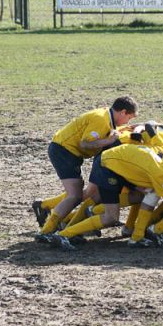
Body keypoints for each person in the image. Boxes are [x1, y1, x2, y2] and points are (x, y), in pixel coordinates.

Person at [34, 96, 138, 236]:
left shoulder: (108, 117)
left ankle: (47, 211)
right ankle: (47, 230)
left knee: (80, 193)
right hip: (63, 150)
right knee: (75, 195)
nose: (128, 121)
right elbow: (85, 143)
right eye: (129, 118)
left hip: (69, 152)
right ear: (123, 112)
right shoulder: (101, 119)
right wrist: (109, 140)